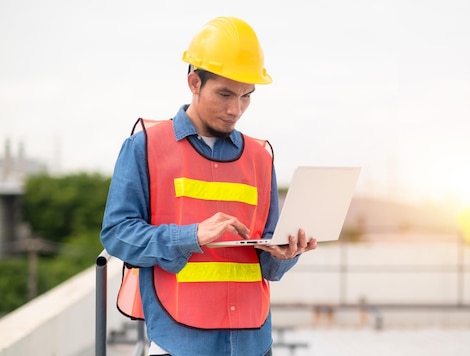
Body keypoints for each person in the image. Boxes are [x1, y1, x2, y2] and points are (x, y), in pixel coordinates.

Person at [100, 16, 317, 356]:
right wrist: (190, 236)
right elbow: (116, 234)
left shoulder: (261, 158)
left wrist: (287, 254)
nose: (236, 109)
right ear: (194, 82)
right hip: (179, 341)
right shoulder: (145, 147)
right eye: (225, 94)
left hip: (254, 342)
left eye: (247, 96)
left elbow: (268, 265)